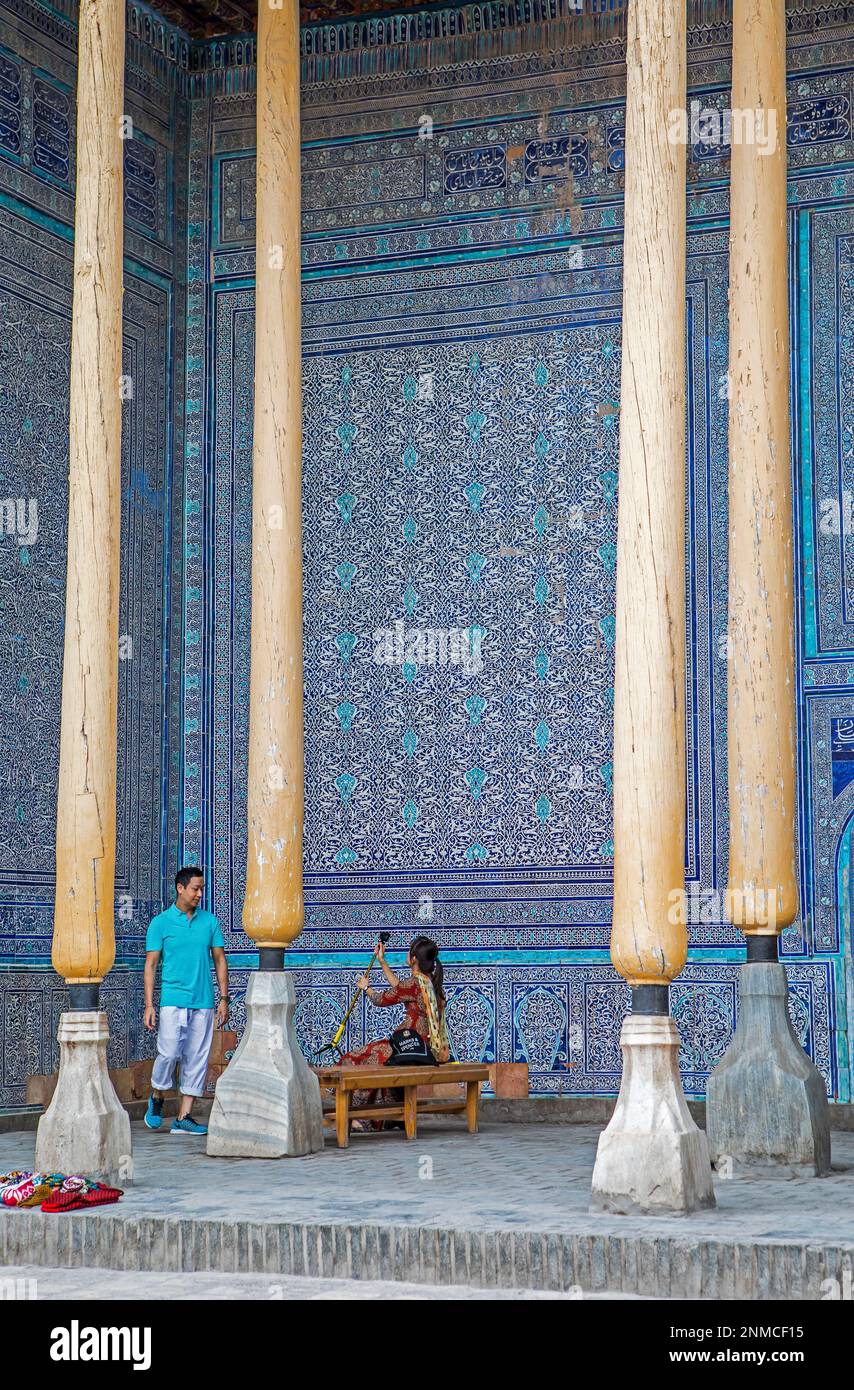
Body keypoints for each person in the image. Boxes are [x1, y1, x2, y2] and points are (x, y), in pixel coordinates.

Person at [142, 866, 229, 1135]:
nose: (199, 893)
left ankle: (184, 1116)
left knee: (197, 1057)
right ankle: (157, 1096)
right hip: (172, 999)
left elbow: (220, 960)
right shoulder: (160, 923)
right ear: (180, 888)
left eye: (202, 888)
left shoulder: (209, 922)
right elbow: (151, 964)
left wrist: (223, 998)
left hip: (203, 1001)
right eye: (195, 888)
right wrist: (149, 1004)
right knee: (168, 1053)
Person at [340, 935, 451, 1126]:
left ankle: (356, 1116)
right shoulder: (430, 982)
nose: (407, 954)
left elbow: (380, 1000)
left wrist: (367, 988)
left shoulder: (414, 983)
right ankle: (386, 1119)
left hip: (408, 1048)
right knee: (382, 1058)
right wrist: (383, 962)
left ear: (414, 958)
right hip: (426, 1049)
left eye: (409, 951)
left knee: (360, 1058)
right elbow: (401, 989)